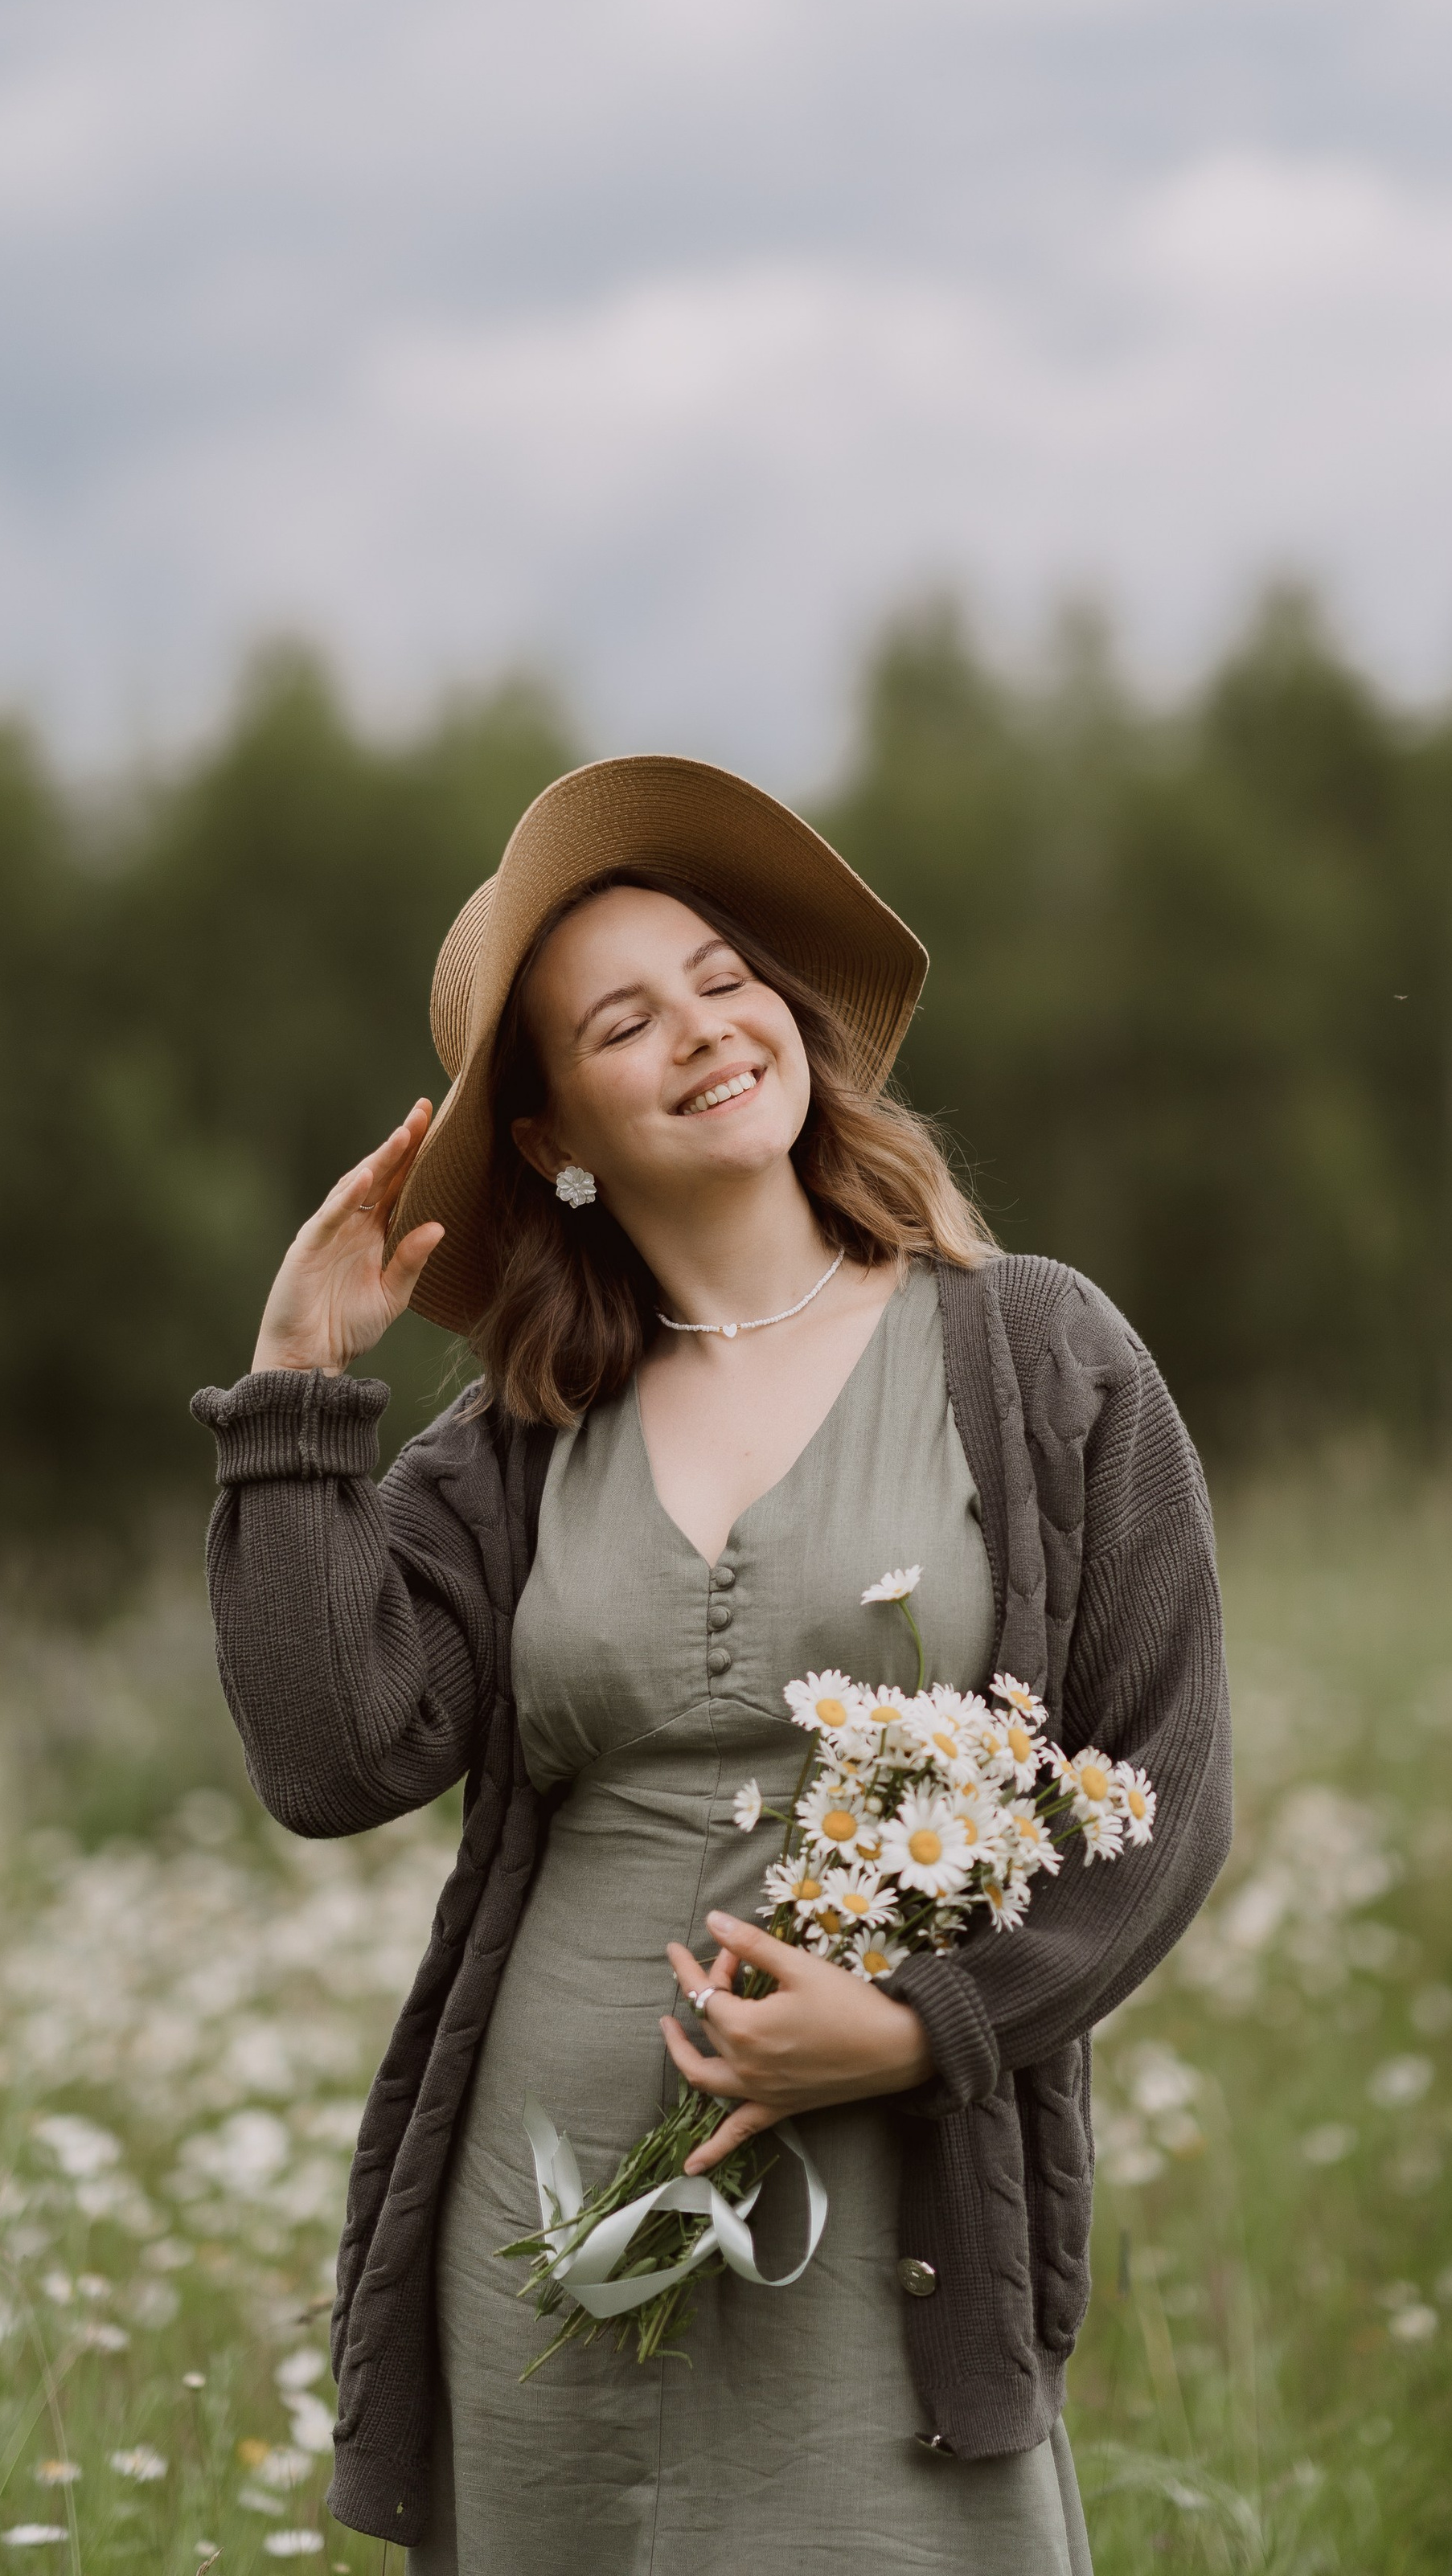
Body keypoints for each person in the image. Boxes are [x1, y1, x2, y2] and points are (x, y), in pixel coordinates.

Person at [195, 754, 1233, 2575]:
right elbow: (333, 1759)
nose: (700, 1031)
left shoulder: (1040, 1354)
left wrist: (915, 2029)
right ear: (552, 1137)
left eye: (722, 979)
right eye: (623, 1023)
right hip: (551, 2214)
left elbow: (1166, 1787)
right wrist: (296, 1390)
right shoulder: (514, 1442)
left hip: (889, 2214)